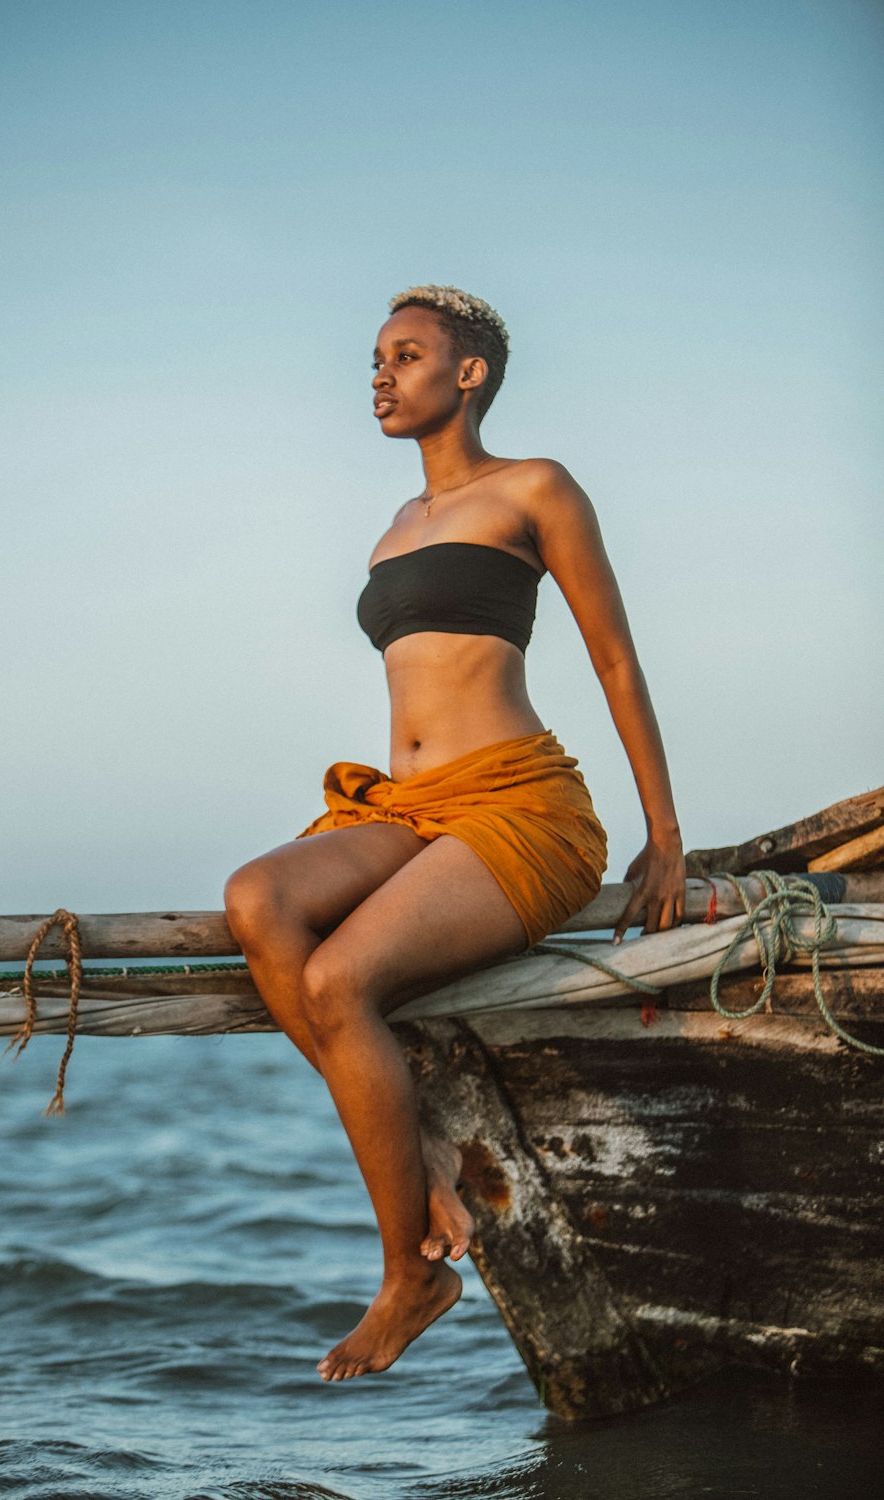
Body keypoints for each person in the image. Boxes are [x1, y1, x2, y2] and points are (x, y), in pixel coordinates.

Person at [224, 284, 685, 1382]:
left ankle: (408, 1273)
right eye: (376, 359)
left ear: (467, 374)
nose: (380, 374)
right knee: (257, 899)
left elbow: (616, 659)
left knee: (339, 983)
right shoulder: (394, 530)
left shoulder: (535, 488)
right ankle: (420, 1157)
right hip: (409, 807)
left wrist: (665, 834)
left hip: (519, 803)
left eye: (407, 355)